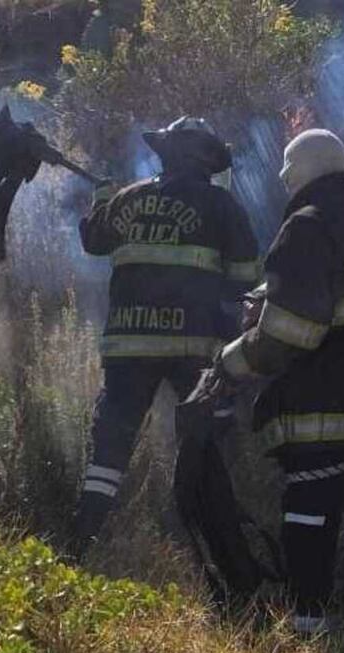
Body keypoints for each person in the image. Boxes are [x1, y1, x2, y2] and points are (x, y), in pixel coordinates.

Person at [218, 128, 344, 632]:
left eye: (288, 170)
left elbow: (289, 335)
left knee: (306, 504)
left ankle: (307, 625)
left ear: (302, 171)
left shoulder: (307, 226)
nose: (285, 180)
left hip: (330, 400)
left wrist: (231, 362)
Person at [70, 116, 260, 560]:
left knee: (110, 449)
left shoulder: (128, 198)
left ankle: (79, 547)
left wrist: (104, 196)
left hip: (128, 346)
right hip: (191, 347)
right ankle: (228, 561)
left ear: (167, 153)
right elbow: (245, 280)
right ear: (206, 159)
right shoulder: (220, 205)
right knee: (201, 444)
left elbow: (93, 241)